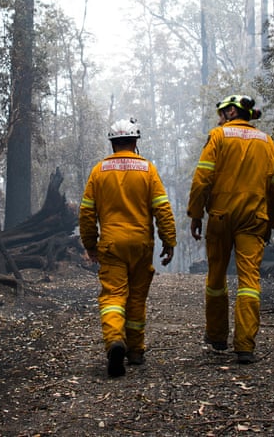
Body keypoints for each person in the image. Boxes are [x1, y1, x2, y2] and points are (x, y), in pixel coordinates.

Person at [187, 95, 274, 364]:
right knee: (250, 281)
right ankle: (245, 346)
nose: (219, 117)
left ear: (231, 111)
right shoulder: (267, 142)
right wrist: (272, 222)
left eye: (221, 112)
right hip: (254, 218)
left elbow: (202, 178)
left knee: (216, 276)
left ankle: (217, 336)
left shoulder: (218, 136)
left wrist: (195, 214)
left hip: (220, 216)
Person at [79, 118, 177, 378]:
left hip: (111, 244)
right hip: (141, 243)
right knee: (136, 298)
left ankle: (114, 341)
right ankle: (135, 351)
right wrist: (169, 240)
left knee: (113, 296)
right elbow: (162, 208)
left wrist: (90, 244)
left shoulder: (99, 171)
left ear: (112, 143)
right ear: (135, 142)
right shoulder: (147, 169)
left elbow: (87, 213)